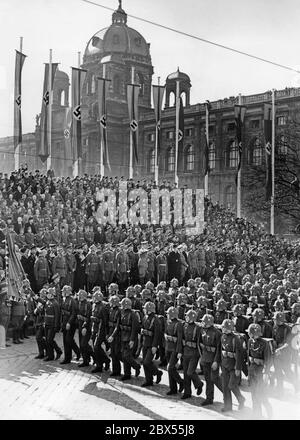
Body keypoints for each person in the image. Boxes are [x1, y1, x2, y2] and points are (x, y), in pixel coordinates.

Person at [219, 319, 245, 412]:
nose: (224, 329)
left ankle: (241, 399)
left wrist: (238, 368)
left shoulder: (236, 339)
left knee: (231, 385)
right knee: (225, 386)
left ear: (230, 329)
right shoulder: (222, 337)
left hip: (233, 366)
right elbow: (221, 351)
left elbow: (239, 354)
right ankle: (227, 406)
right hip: (225, 364)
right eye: (223, 327)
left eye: (226, 328)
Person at [247, 323, 273, 419]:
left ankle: (269, 410)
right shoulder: (250, 341)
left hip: (260, 373)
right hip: (252, 371)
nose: (249, 334)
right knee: (253, 395)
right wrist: (248, 373)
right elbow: (248, 357)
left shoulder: (264, 343)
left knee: (260, 395)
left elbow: (268, 359)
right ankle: (256, 415)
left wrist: (266, 373)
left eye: (250, 333)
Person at [199, 314, 223, 406]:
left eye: (204, 322)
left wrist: (216, 361)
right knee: (208, 379)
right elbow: (199, 343)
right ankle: (209, 398)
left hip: (213, 359)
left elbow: (218, 348)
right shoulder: (202, 330)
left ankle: (226, 394)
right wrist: (201, 356)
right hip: (205, 358)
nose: (202, 323)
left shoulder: (217, 333)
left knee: (215, 379)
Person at [181, 309, 204, 399]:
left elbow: (200, 341)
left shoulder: (198, 328)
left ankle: (199, 383)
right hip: (186, 351)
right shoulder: (184, 325)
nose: (186, 317)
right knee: (186, 374)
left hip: (194, 353)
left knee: (190, 372)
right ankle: (187, 392)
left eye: (187, 316)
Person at [140, 301, 163, 387]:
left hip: (151, 344)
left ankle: (158, 373)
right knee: (145, 363)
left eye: (146, 309)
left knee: (147, 362)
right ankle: (148, 380)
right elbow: (142, 327)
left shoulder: (156, 320)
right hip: (145, 342)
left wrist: (154, 346)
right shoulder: (145, 317)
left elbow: (157, 334)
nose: (144, 310)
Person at [164, 306, 184, 395]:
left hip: (175, 349)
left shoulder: (178, 324)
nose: (167, 315)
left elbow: (179, 339)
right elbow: (165, 333)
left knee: (170, 367)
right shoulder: (169, 323)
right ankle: (173, 388)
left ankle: (181, 382)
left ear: (172, 315)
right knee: (169, 369)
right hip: (168, 347)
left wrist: (179, 351)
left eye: (168, 314)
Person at [119, 297, 141, 380]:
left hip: (130, 338)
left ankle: (136, 366)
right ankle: (127, 374)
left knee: (127, 356)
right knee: (124, 357)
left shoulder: (133, 314)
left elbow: (134, 328)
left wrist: (132, 340)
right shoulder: (122, 312)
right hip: (123, 336)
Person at [90, 290, 110, 373]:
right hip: (94, 328)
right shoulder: (94, 305)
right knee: (96, 348)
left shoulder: (103, 306)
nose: (93, 299)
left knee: (96, 347)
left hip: (100, 330)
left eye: (95, 297)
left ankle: (102, 363)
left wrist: (106, 333)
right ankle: (103, 362)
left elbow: (104, 321)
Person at [60, 285, 80, 364]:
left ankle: (77, 352)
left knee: (68, 339)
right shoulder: (64, 299)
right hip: (65, 322)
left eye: (63, 291)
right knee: (65, 341)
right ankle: (67, 358)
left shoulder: (72, 301)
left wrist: (69, 323)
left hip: (71, 324)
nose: (62, 293)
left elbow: (73, 314)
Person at [44, 287, 62, 361]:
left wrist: (56, 326)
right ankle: (53, 354)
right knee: (48, 340)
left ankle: (55, 353)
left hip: (52, 324)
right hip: (47, 323)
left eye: (48, 293)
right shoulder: (48, 302)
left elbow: (57, 315)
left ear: (52, 294)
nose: (47, 295)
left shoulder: (55, 303)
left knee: (49, 340)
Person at [77, 289, 94, 367]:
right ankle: (85, 360)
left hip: (86, 327)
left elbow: (88, 317)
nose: (79, 297)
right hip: (80, 326)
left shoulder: (88, 304)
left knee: (84, 344)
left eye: (80, 296)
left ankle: (95, 357)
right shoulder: (79, 303)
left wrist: (85, 326)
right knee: (81, 344)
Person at [107, 295, 122, 377]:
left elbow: (117, 325)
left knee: (116, 353)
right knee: (112, 353)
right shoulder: (111, 310)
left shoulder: (119, 311)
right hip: (111, 332)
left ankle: (118, 370)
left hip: (116, 334)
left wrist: (112, 335)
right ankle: (115, 370)